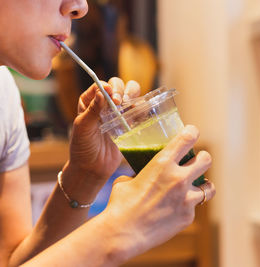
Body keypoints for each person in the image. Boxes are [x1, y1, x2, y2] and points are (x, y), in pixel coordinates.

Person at [0, 0, 216, 266]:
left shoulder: (4, 97)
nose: (80, 7)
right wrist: (117, 232)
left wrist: (86, 175)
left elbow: (11, 261)